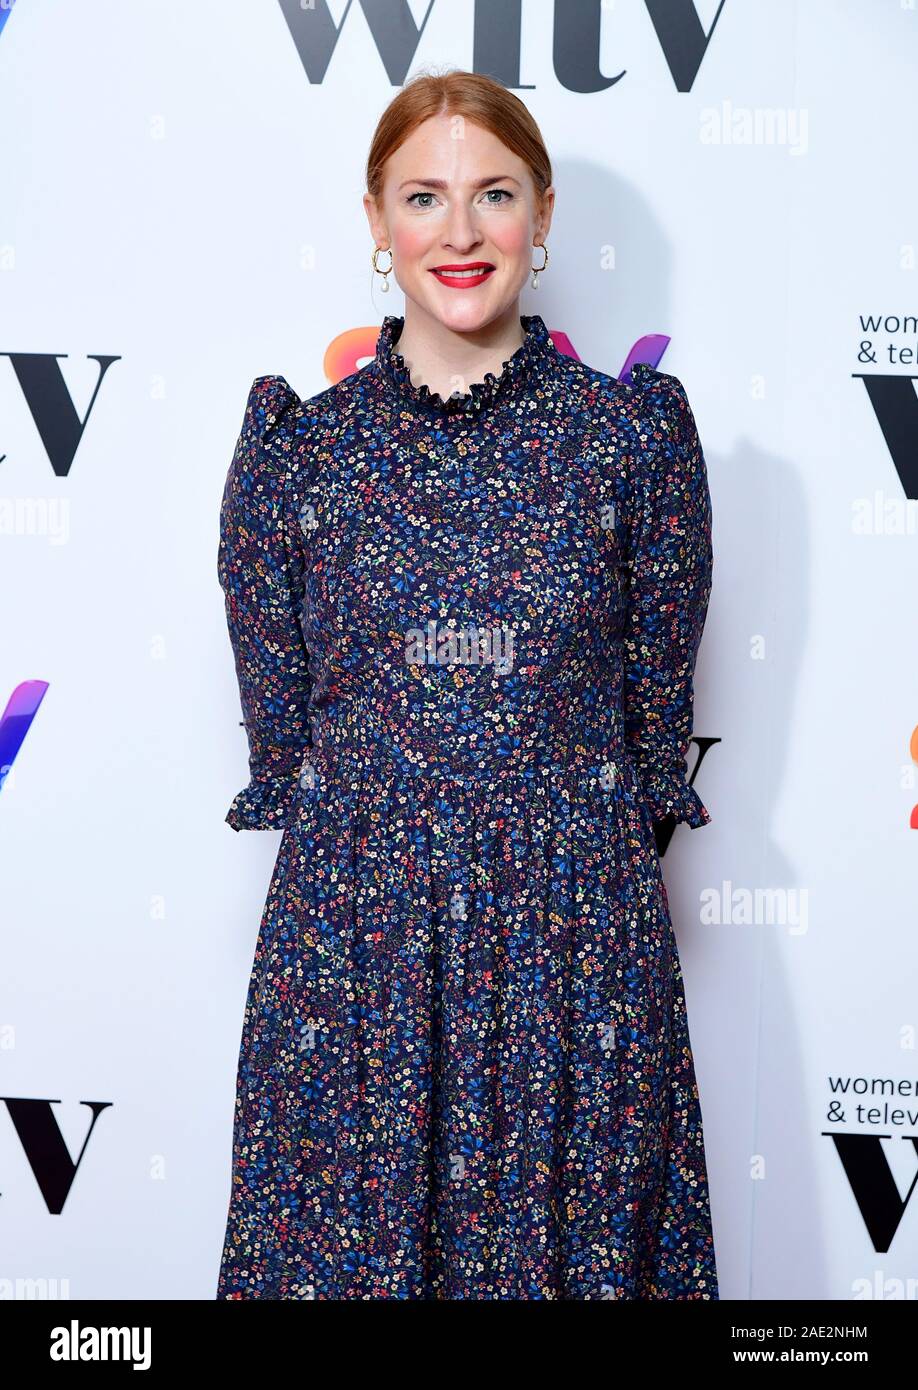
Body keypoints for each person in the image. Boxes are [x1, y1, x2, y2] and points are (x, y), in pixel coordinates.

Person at [215, 68, 717, 1301]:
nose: (459, 230)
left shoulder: (630, 442)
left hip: (574, 957)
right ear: (378, 222)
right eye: (424, 195)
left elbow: (655, 733)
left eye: (493, 195)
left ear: (542, 218)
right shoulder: (300, 456)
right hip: (356, 962)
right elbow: (286, 748)